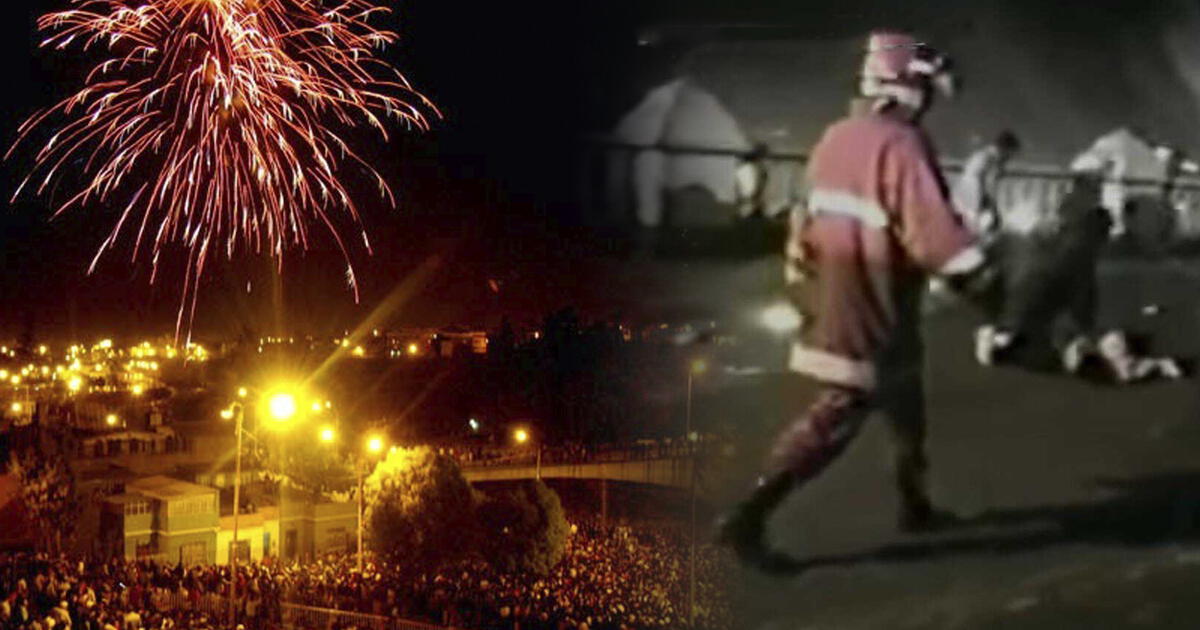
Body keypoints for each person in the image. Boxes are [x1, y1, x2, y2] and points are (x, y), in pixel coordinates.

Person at [715, 29, 997, 566]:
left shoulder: (835, 136)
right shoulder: (902, 143)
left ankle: (914, 505)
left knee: (906, 402)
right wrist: (983, 283)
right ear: (907, 86)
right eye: (928, 88)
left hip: (842, 287)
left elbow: (804, 221)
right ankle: (748, 514)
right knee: (841, 410)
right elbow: (933, 233)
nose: (932, 101)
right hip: (875, 296)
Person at [973, 168, 1184, 383]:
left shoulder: (1078, 235)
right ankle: (1018, 342)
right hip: (1060, 307)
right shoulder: (1085, 244)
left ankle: (1016, 341)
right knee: (1081, 348)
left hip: (1058, 306)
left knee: (1070, 343)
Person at [953, 130, 1021, 242]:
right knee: (989, 228)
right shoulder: (993, 161)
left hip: (962, 197)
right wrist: (993, 210)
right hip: (973, 198)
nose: (1011, 158)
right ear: (1006, 149)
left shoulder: (981, 155)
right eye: (1012, 153)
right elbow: (988, 185)